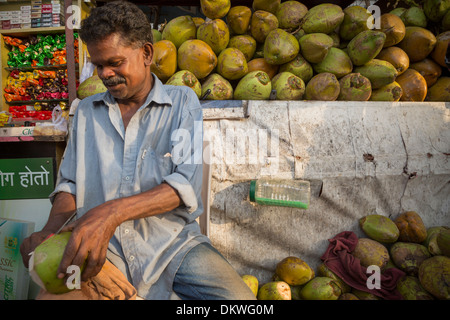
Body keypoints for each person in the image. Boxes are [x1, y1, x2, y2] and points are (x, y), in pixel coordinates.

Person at [20, 1, 255, 300]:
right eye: (98, 64)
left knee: (242, 303)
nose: (105, 74)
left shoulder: (182, 102)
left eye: (115, 62)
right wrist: (49, 233)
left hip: (172, 245)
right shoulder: (86, 112)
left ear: (146, 53)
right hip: (102, 249)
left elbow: (184, 185)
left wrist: (109, 213)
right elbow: (70, 186)